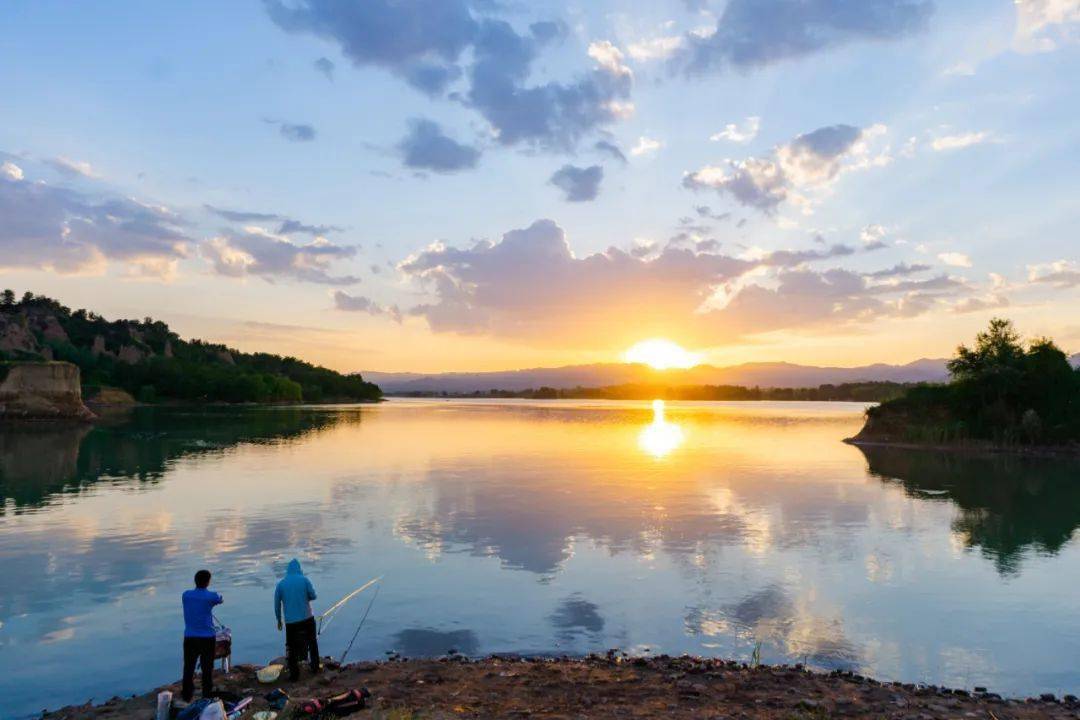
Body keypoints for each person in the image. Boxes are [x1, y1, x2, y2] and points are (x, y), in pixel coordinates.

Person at [274, 558, 320, 681]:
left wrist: (279, 620)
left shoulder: (281, 584)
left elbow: (277, 605)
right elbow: (313, 596)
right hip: (307, 618)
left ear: (288, 570)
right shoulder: (305, 580)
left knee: (291, 647)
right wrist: (305, 597)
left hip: (291, 623)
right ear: (299, 569)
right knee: (312, 642)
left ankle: (294, 675)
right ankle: (315, 667)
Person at [181, 569, 223, 702]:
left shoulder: (186, 595)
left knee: (189, 666)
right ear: (208, 582)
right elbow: (219, 599)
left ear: (195, 581)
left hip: (190, 637)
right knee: (207, 667)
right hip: (207, 638)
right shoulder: (211, 596)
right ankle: (206, 694)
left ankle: (187, 695)